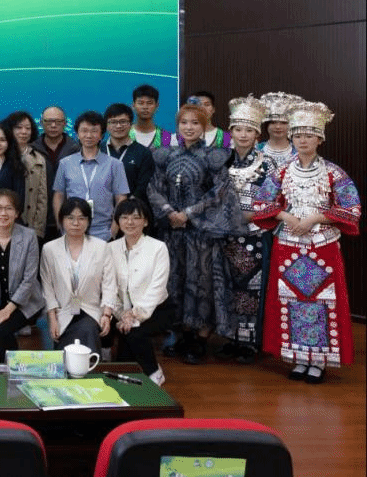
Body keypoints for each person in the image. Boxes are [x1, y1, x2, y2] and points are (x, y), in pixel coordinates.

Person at [253, 101, 360, 384]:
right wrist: (287, 216)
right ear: (292, 137)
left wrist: (315, 218)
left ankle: (319, 361)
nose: (303, 140)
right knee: (291, 299)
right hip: (288, 243)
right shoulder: (281, 172)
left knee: (322, 300)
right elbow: (261, 202)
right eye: (298, 135)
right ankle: (298, 358)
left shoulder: (334, 173)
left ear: (320, 139)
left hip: (322, 245)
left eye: (309, 135)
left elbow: (351, 208)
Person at [147, 103, 242, 364]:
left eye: (195, 123)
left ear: (204, 126)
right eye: (184, 122)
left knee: (202, 283)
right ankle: (181, 333)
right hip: (173, 232)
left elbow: (219, 192)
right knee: (174, 281)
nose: (189, 127)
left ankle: (200, 338)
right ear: (177, 125)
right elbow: (154, 188)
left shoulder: (215, 156)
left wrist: (188, 213)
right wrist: (169, 211)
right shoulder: (165, 155)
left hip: (202, 233)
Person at [218, 96, 276, 364]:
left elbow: (274, 201)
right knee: (227, 286)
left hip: (253, 235)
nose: (243, 135)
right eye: (238, 129)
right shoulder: (221, 160)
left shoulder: (268, 164)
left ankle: (250, 342)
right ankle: (231, 337)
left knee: (251, 289)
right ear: (230, 132)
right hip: (224, 235)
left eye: (249, 130)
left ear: (257, 134)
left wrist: (248, 215)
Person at [106, 198, 172, 385]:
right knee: (123, 359)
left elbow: (157, 288)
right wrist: (121, 314)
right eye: (124, 217)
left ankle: (154, 372)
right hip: (121, 311)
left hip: (156, 309)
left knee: (134, 332)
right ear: (118, 221)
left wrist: (133, 315)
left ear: (146, 221)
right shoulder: (110, 248)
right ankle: (123, 369)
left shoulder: (158, 248)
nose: (130, 222)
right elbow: (109, 287)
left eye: (136, 218)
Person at [0, 190, 44, 362]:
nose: (3, 213)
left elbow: (29, 280)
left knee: (1, 330)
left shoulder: (29, 236)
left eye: (9, 208)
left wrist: (6, 311)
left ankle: (16, 368)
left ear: (17, 213)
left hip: (24, 303)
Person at [40, 198, 115, 351]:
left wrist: (107, 315)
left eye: (82, 218)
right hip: (62, 311)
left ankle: (84, 364)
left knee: (87, 328)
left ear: (88, 221)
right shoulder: (49, 249)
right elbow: (47, 287)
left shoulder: (101, 247)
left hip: (90, 309)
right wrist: (52, 319)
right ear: (61, 220)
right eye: (70, 218)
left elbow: (109, 284)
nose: (76, 223)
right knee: (80, 331)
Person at [52, 110, 130, 241]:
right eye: (84, 131)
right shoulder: (65, 163)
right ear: (77, 134)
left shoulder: (115, 164)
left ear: (101, 135)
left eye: (94, 131)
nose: (89, 135)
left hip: (103, 232)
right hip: (72, 230)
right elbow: (58, 195)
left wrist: (113, 230)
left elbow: (121, 198)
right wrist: (61, 226)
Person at [33, 106, 80, 241]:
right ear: (41, 123)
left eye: (58, 122)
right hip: (38, 219)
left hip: (70, 217)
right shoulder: (32, 149)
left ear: (65, 123)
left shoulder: (77, 149)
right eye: (48, 121)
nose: (53, 125)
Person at [2, 111, 48, 240]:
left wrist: (38, 230)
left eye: (28, 128)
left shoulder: (38, 158)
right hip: (2, 221)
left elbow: (42, 197)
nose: (24, 132)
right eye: (19, 127)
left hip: (29, 224)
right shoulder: (0, 155)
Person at [102, 103, 155, 207]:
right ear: (106, 126)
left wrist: (125, 209)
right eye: (113, 122)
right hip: (101, 211)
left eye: (123, 121)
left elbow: (143, 187)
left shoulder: (143, 153)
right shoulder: (98, 150)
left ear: (131, 124)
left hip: (132, 210)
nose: (118, 126)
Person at [257, 91, 303, 166]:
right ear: (266, 125)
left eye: (283, 123)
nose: (278, 127)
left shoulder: (300, 151)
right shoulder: (256, 150)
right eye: (273, 122)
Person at [130, 84, 174, 150]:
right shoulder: (124, 135)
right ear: (133, 105)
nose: (145, 107)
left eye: (149, 103)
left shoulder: (167, 138)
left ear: (157, 105)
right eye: (140, 103)